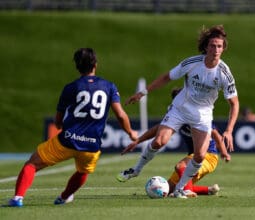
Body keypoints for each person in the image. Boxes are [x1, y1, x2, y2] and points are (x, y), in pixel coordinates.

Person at [118, 25, 239, 199]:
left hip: (202, 114)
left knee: (200, 155)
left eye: (219, 46)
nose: (216, 49)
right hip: (181, 107)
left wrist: (229, 130)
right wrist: (143, 93)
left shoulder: (224, 73)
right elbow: (167, 77)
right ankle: (135, 170)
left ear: (223, 48)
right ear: (206, 47)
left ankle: (181, 188)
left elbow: (234, 104)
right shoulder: (192, 63)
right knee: (160, 141)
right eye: (213, 45)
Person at [7, 48, 137, 207]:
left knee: (32, 164)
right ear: (95, 64)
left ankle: (17, 198)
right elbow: (121, 115)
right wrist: (131, 133)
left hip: (67, 141)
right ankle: (63, 197)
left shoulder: (71, 87)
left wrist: (59, 125)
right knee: (83, 171)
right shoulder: (109, 86)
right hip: (91, 146)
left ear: (77, 66)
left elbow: (58, 119)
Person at [118, 88, 231, 197]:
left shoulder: (198, 113)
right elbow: (159, 128)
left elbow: (216, 134)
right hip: (193, 157)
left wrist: (224, 152)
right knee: (168, 189)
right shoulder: (176, 112)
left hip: (208, 156)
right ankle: (209, 190)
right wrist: (138, 141)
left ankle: (186, 192)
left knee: (180, 166)